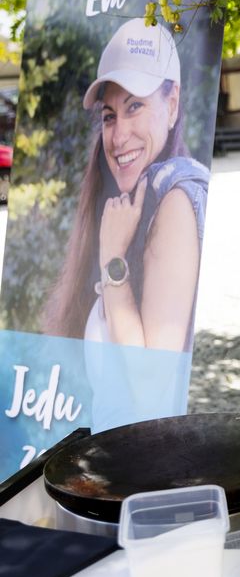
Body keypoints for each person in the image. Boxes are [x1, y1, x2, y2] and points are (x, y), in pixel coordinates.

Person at [42, 18, 208, 353]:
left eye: (135, 106)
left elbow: (151, 384)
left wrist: (113, 260)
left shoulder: (175, 202)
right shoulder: (123, 209)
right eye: (109, 116)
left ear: (172, 103)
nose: (118, 137)